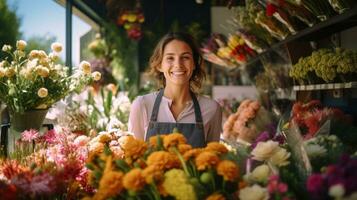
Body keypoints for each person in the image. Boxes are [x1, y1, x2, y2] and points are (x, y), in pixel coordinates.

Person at [128, 32, 222, 147]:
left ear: (194, 64)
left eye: (185, 57)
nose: (178, 64)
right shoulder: (142, 105)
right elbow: (134, 157)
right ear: (159, 65)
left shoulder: (211, 109)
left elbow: (214, 159)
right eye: (170, 58)